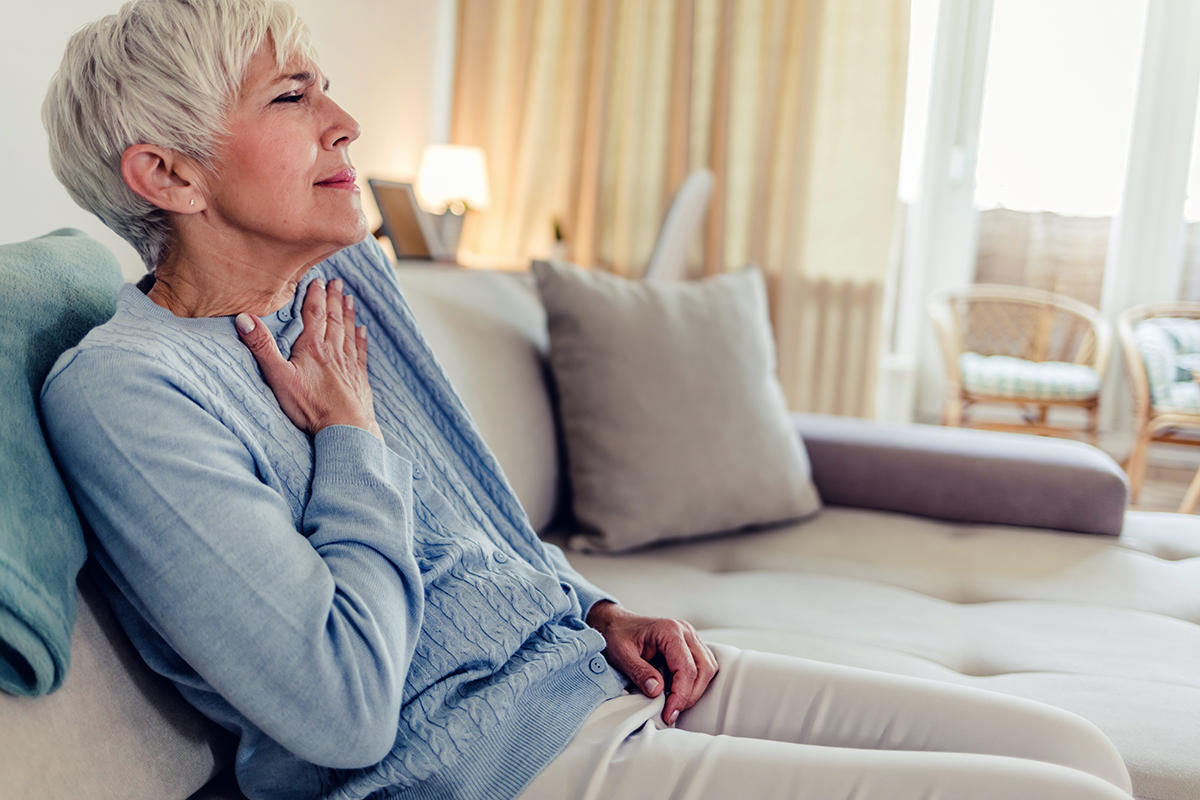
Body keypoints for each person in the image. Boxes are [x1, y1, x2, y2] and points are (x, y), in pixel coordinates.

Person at [38, 2, 1133, 799]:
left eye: (324, 83)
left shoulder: (340, 281)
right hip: (486, 765)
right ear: (167, 176)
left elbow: (479, 522)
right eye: (292, 94)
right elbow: (343, 707)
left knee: (1080, 754)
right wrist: (351, 440)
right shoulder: (133, 393)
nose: (346, 121)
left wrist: (595, 609)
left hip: (588, 672)